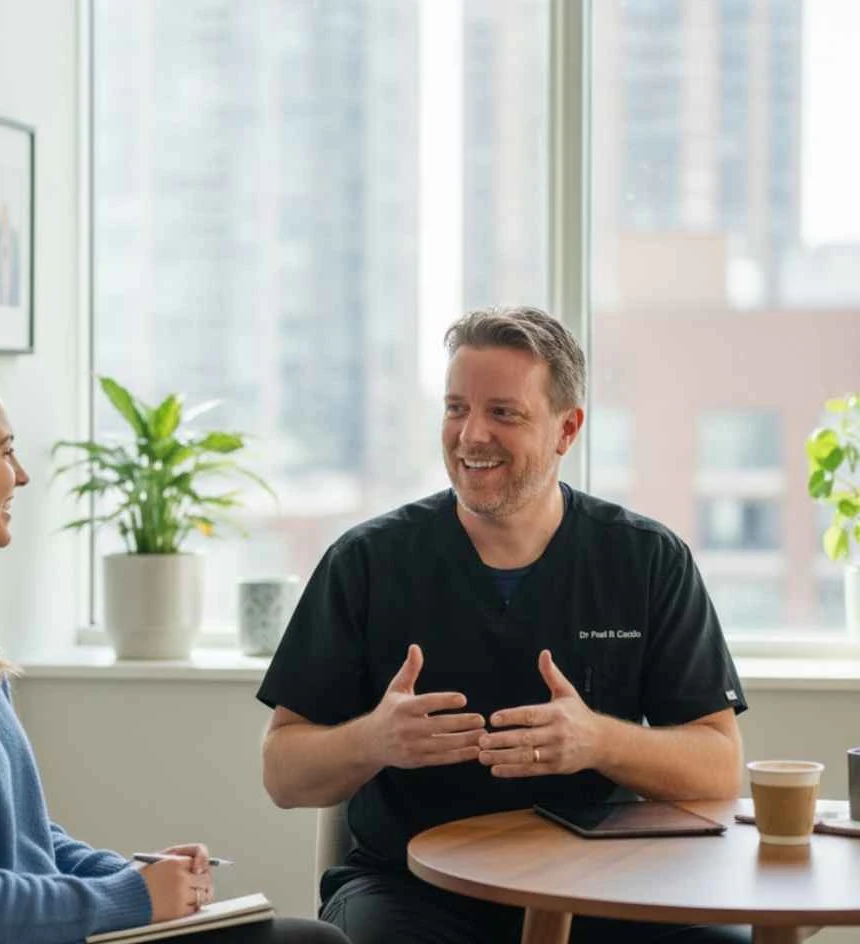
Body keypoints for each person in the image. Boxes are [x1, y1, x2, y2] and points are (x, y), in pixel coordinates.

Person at [257, 306, 749, 944]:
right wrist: (373, 741)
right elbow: (282, 773)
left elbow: (717, 768)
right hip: (412, 892)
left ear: (566, 430)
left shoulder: (647, 560)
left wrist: (599, 741)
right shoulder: (367, 563)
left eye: (503, 413)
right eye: (456, 408)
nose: (470, 436)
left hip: (607, 886)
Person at [0, 358, 348, 944]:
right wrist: (132, 898)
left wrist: (131, 875)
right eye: (4, 451)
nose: (21, 475)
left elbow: (26, 843)